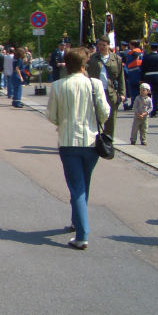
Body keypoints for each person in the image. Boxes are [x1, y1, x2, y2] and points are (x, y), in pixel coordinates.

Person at [47, 47, 110, 250]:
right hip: (91, 142)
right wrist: (94, 122)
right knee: (83, 184)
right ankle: (76, 221)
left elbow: (51, 115)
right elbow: (105, 112)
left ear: (66, 64)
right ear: (84, 64)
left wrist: (63, 122)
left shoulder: (58, 86)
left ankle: (82, 235)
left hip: (68, 141)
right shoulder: (95, 84)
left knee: (77, 188)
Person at [86, 35, 125, 140]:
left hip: (111, 92)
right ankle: (94, 140)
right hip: (95, 91)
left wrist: (122, 93)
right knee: (94, 116)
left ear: (108, 45)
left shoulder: (116, 59)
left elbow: (121, 77)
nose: (101, 47)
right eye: (99, 45)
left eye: (104, 45)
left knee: (111, 119)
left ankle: (108, 142)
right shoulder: (92, 58)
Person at [139, 41, 158, 117]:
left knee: (147, 95)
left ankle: (147, 111)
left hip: (147, 77)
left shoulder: (146, 57)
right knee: (156, 95)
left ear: (150, 48)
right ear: (157, 48)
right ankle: (154, 112)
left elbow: (142, 69)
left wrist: (141, 79)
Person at [124, 40, 143, 110]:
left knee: (133, 92)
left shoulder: (130, 53)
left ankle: (133, 104)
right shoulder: (141, 52)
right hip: (140, 76)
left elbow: (127, 65)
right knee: (141, 91)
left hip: (132, 76)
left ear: (133, 45)